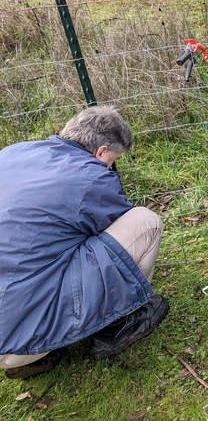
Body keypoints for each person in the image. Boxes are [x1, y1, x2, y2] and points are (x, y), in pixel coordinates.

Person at [0, 106, 169, 380]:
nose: (111, 166)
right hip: (15, 339)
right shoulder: (91, 176)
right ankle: (120, 323)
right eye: (113, 159)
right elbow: (113, 229)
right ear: (101, 151)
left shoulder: (12, 152)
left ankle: (27, 353)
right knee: (144, 222)